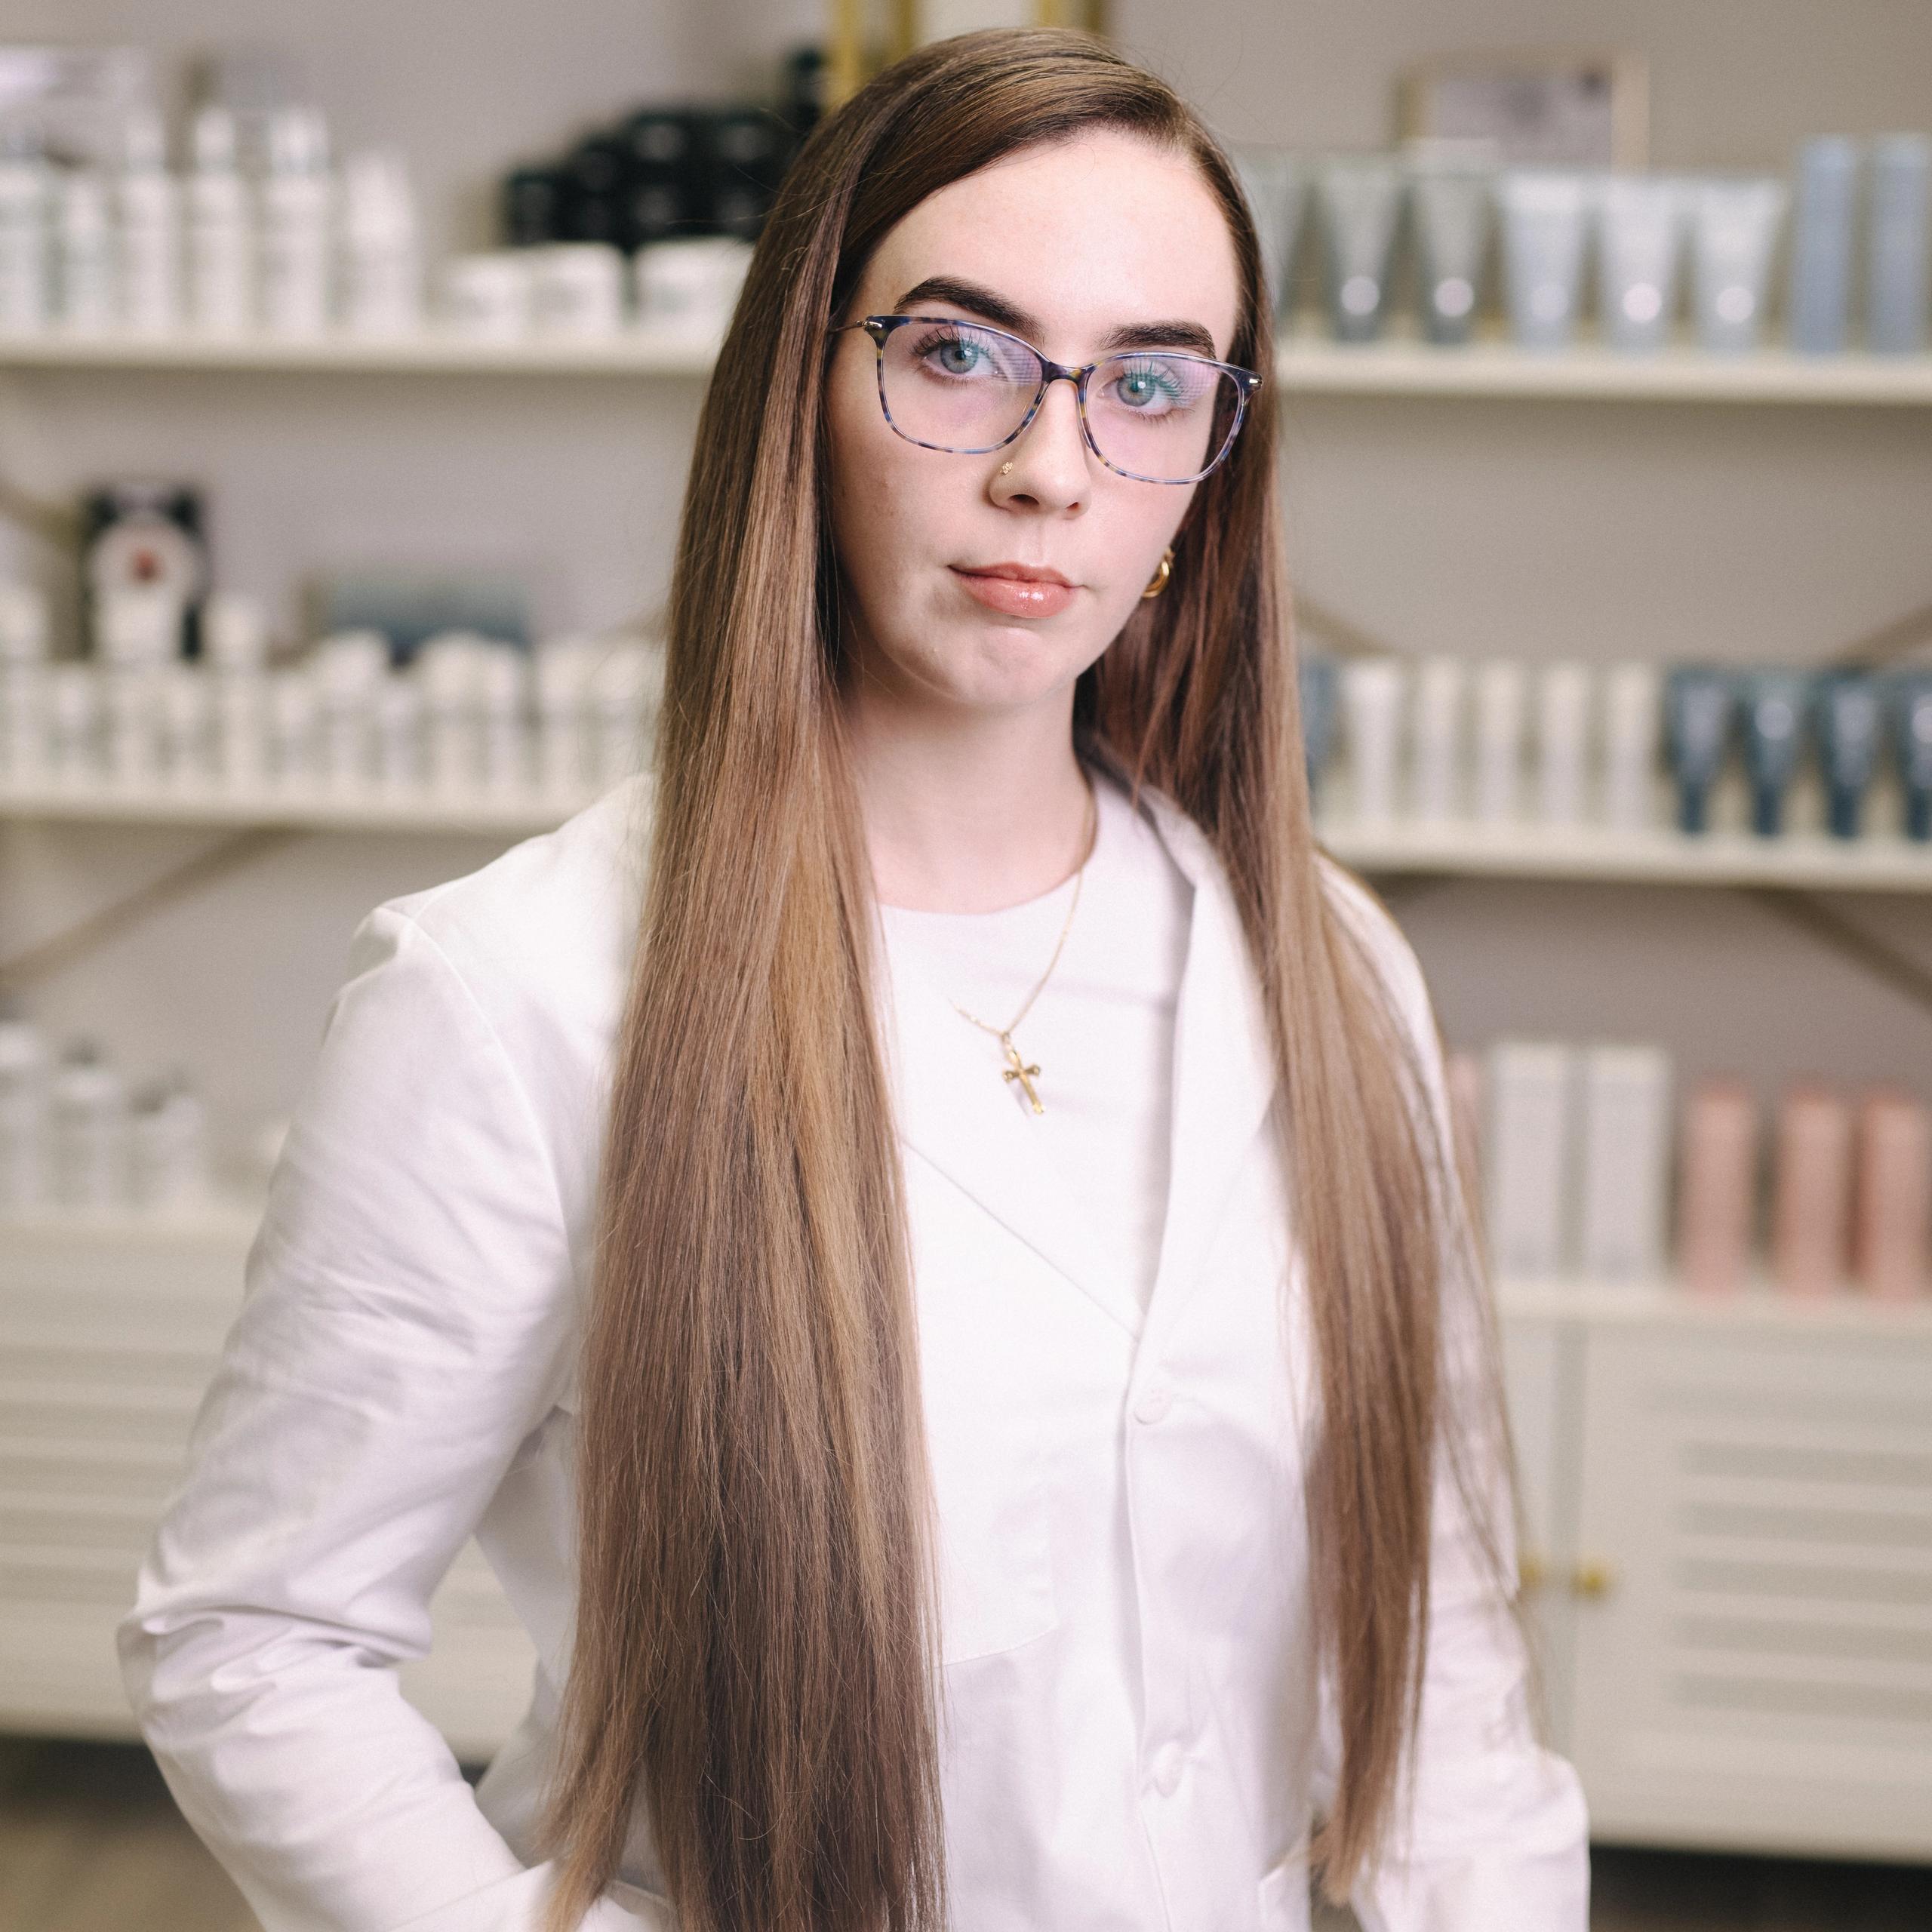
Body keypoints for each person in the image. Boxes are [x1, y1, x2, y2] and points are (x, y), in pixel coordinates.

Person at [119, 26, 1589, 1932]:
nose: (1051, 470)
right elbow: (256, 1636)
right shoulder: (516, 996)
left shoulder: (1324, 964)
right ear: (801, 385)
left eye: (1147, 385)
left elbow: (1447, 1676)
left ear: (1209, 469)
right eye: (960, 354)